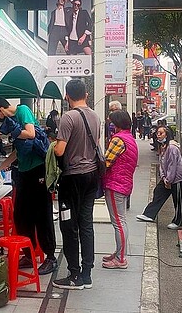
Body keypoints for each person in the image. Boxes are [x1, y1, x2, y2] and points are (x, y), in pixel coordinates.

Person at [0, 97, 57, 276]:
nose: (0, 120)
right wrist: (0, 168)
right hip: (25, 172)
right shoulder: (14, 120)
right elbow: (18, 151)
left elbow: (31, 134)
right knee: (21, 214)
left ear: (0, 110)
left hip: (38, 170)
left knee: (42, 214)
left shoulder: (22, 111)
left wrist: (13, 131)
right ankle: (29, 254)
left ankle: (50, 256)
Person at [52, 79, 101, 290]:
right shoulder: (95, 116)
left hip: (72, 179)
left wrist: (54, 145)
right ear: (86, 95)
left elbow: (60, 151)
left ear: (67, 96)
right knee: (86, 224)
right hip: (91, 176)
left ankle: (74, 275)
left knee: (68, 224)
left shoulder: (68, 117)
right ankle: (87, 274)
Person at [102, 110, 138, 269]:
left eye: (112, 122)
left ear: (117, 124)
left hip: (115, 184)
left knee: (118, 222)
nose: (111, 125)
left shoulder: (118, 139)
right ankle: (118, 253)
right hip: (123, 184)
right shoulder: (129, 138)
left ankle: (120, 258)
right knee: (120, 221)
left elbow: (106, 162)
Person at [136, 126, 182, 230]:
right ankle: (149, 214)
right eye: (157, 133)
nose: (158, 135)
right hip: (167, 178)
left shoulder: (172, 148)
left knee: (178, 200)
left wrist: (168, 180)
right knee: (158, 192)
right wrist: (164, 178)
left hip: (176, 178)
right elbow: (162, 164)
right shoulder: (163, 146)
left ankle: (178, 222)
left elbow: (173, 166)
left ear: (167, 135)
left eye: (161, 133)